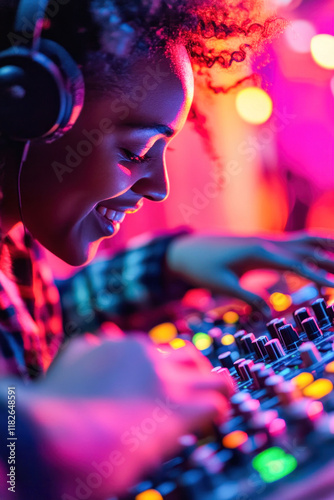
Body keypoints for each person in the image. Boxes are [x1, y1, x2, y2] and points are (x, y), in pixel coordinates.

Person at [0, 1, 334, 499]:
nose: (158, 188)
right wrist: (87, 424)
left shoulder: (13, 249)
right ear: (24, 108)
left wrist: (167, 263)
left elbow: (34, 333)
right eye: (135, 152)